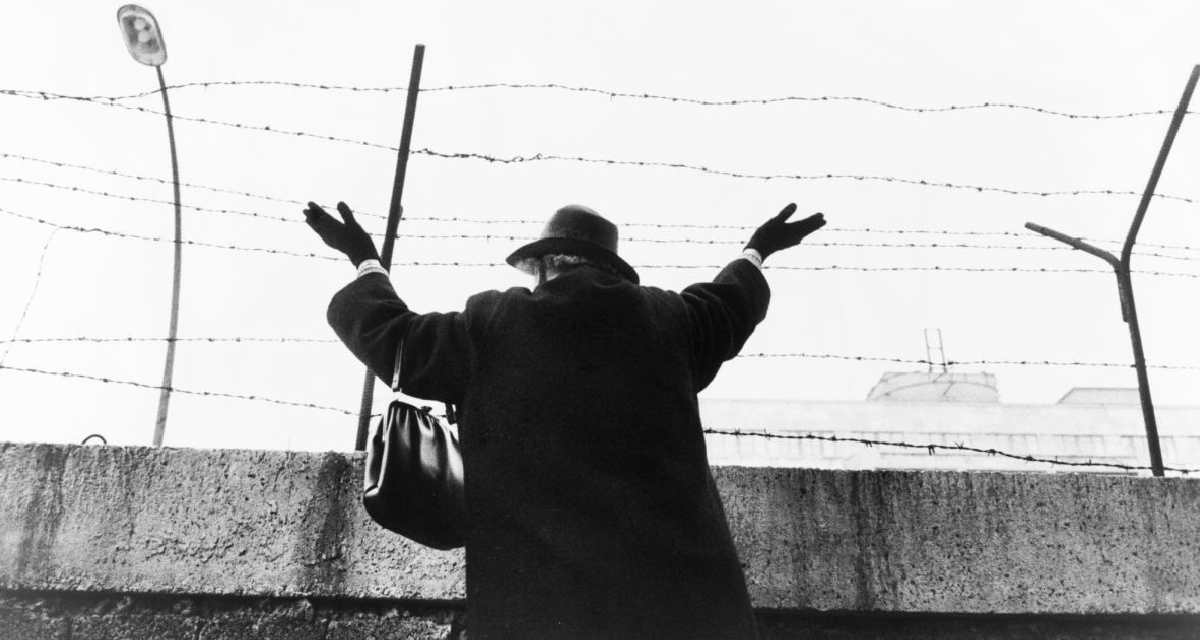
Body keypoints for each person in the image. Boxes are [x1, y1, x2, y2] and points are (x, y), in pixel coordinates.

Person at [305, 201, 825, 639]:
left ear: (544, 266)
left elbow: (393, 339)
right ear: (614, 270)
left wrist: (365, 260)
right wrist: (757, 250)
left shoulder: (492, 324)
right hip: (685, 610)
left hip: (540, 614)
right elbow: (731, 305)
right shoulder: (673, 321)